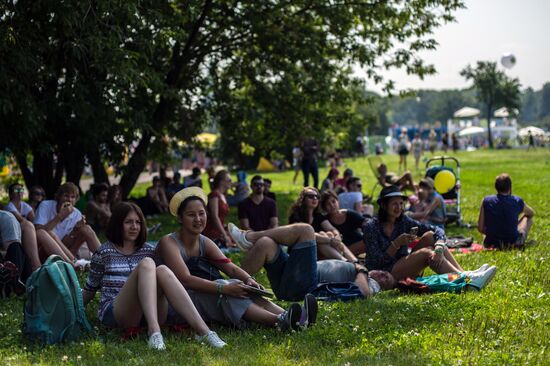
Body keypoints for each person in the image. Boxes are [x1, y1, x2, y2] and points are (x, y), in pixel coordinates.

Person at [157, 188, 312, 331]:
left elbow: (229, 267)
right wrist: (224, 288)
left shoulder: (204, 241)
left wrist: (249, 280)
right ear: (180, 218)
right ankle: (279, 321)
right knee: (226, 287)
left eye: (201, 213)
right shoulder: (169, 242)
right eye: (191, 215)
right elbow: (186, 280)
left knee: (241, 286)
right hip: (174, 304)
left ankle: (296, 317)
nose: (198, 219)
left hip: (198, 297)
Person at [82, 202, 226, 349]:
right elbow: (90, 289)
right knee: (147, 263)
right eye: (128, 222)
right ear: (117, 224)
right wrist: (73, 313)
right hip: (118, 314)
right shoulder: (104, 253)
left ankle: (204, 331)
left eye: (138, 222)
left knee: (162, 270)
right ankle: (154, 332)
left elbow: (164, 283)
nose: (134, 227)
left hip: (149, 312)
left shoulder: (149, 250)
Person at [227, 223, 382, 299]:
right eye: (384, 273)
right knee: (266, 243)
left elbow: (364, 293)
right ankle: (229, 287)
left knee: (306, 230)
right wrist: (335, 244)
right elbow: (333, 249)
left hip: (306, 284)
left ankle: (249, 237)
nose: (382, 274)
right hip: (292, 277)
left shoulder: (368, 280)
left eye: (385, 277)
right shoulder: (353, 266)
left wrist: (362, 270)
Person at [362, 186, 484, 281]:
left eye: (401, 203)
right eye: (394, 204)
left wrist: (440, 247)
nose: (399, 207)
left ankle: (464, 273)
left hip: (402, 264)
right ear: (383, 205)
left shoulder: (403, 221)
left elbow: (436, 230)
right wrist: (396, 243)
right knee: (427, 253)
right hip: (384, 273)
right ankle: (464, 280)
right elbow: (377, 262)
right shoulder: (371, 226)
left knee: (430, 236)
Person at [34, 182, 101, 264]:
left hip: (65, 252)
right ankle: (75, 263)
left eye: (73, 197)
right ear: (58, 197)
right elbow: (37, 232)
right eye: (66, 196)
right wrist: (60, 216)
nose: (69, 199)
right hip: (45, 251)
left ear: (76, 200)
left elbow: (65, 243)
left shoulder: (77, 214)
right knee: (50, 233)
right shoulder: (45, 205)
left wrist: (75, 229)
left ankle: (106, 259)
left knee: (86, 228)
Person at [289, 187, 358, 261]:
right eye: (311, 196)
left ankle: (353, 261)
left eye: (317, 197)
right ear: (303, 199)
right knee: (322, 236)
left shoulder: (318, 216)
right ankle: (345, 261)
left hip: (318, 252)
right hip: (301, 250)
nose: (314, 198)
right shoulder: (296, 216)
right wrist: (330, 240)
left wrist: (337, 236)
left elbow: (331, 228)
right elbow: (308, 234)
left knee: (330, 234)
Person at [477, 173, 535, 249]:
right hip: (512, 241)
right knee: (528, 218)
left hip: (491, 242)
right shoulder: (517, 201)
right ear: (510, 187)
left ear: (496, 187)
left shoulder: (486, 201)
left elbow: (480, 228)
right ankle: (517, 242)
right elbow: (531, 213)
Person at [0, 210, 36, 296]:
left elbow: (11, 252)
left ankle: (13, 285)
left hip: (10, 265)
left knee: (15, 247)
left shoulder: (6, 219)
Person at [320, 190, 367, 255]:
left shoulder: (349, 214)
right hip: (340, 249)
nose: (332, 205)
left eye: (333, 201)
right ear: (324, 207)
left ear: (338, 201)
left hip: (358, 244)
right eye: (328, 204)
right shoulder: (324, 221)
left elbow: (366, 223)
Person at [203, 170, 235, 248]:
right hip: (212, 231)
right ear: (221, 182)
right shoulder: (214, 195)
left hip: (219, 230)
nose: (231, 182)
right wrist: (225, 235)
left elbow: (221, 218)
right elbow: (215, 217)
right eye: (229, 180)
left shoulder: (222, 195)